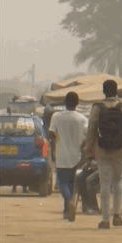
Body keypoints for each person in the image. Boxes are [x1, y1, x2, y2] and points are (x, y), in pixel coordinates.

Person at [84, 80, 122, 230]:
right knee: (117, 181)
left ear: (104, 91)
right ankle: (117, 215)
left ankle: (105, 219)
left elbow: (91, 131)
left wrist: (89, 152)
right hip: (120, 150)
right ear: (116, 90)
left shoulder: (97, 108)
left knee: (105, 183)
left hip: (102, 150)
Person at [48, 91, 88, 222]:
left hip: (61, 154)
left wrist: (57, 140)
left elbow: (51, 133)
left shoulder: (57, 116)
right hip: (76, 155)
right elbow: (87, 137)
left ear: (65, 103)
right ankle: (67, 211)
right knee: (71, 181)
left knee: (62, 182)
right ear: (77, 103)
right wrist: (80, 144)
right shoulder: (82, 118)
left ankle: (69, 201)